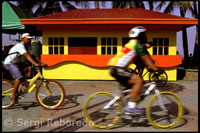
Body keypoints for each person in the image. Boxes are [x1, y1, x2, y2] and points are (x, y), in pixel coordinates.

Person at [108, 26, 162, 114]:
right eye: (144, 34)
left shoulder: (131, 44)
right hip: (118, 69)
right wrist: (156, 69)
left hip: (115, 68)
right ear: (140, 35)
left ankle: (118, 106)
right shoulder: (136, 45)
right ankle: (131, 107)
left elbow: (143, 60)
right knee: (139, 81)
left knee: (131, 89)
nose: (145, 36)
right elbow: (145, 59)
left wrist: (150, 67)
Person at [4, 33, 46, 103]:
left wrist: (40, 62)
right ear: (23, 39)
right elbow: (26, 55)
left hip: (16, 63)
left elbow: (32, 55)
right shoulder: (20, 45)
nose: (29, 40)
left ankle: (23, 83)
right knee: (20, 78)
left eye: (30, 39)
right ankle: (13, 94)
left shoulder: (27, 47)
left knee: (29, 67)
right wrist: (35, 64)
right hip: (9, 63)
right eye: (28, 39)